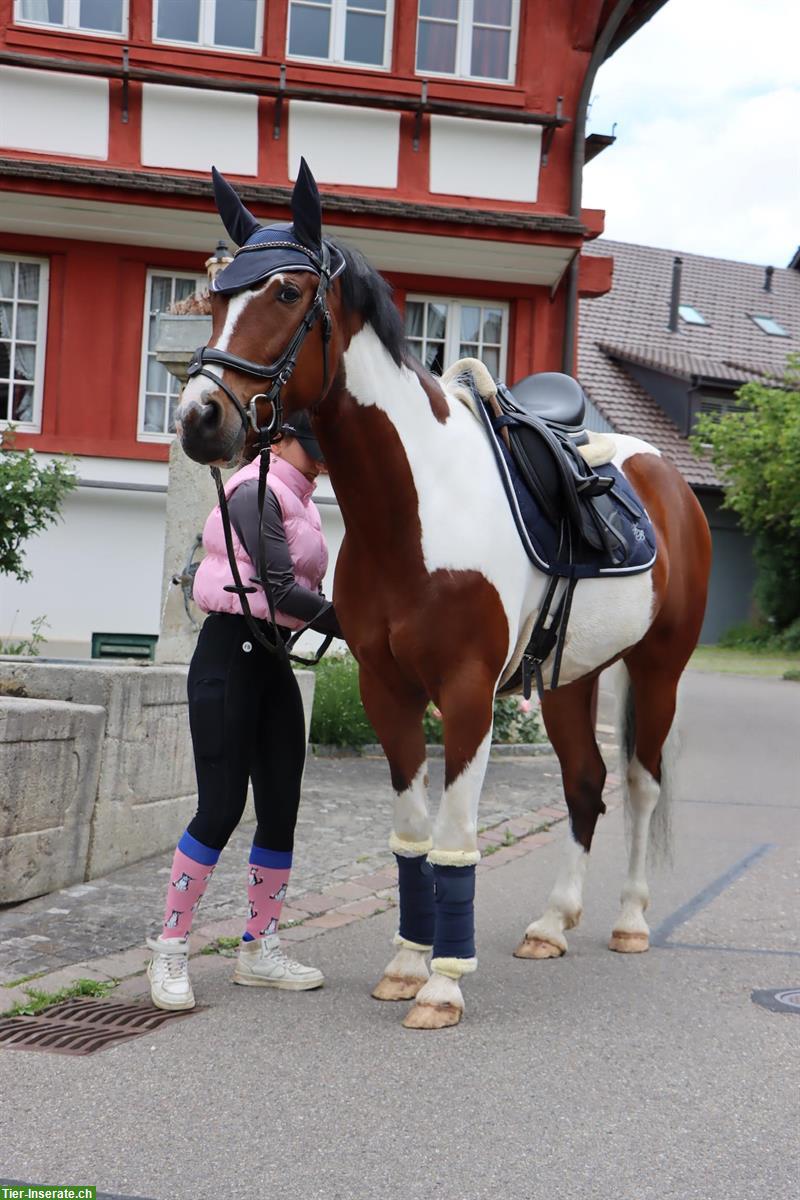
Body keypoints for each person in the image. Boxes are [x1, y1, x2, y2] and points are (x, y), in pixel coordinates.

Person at [147, 413, 341, 1011]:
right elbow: (280, 589)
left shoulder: (301, 499)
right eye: (312, 448)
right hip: (228, 654)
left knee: (281, 806)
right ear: (279, 439)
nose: (321, 459)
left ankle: (258, 948)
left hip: (272, 659)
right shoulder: (254, 489)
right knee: (222, 807)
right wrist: (363, 624)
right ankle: (171, 949)